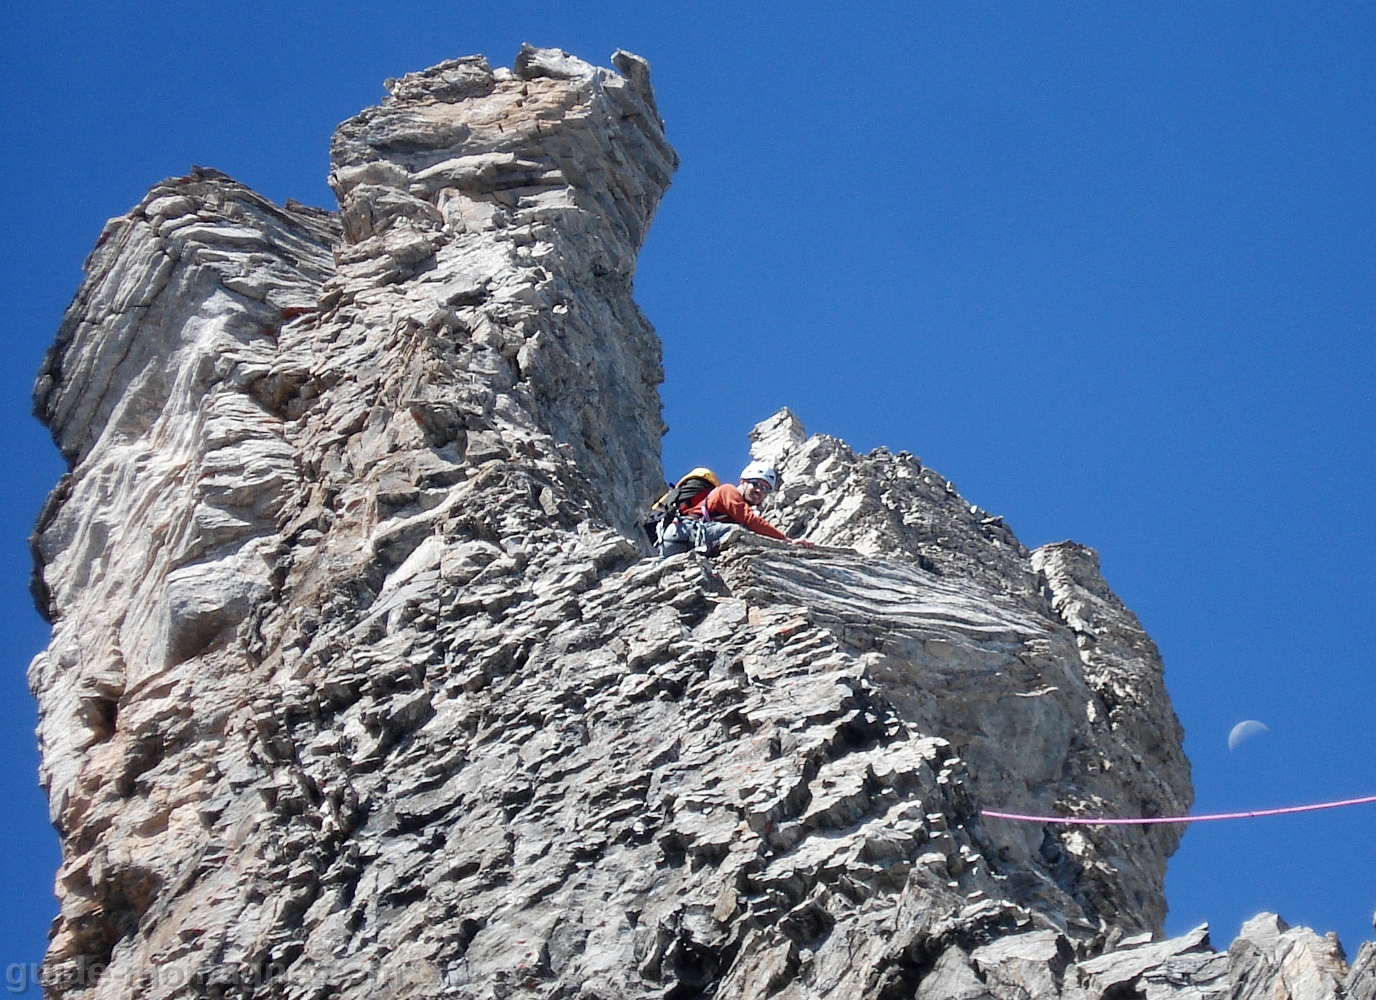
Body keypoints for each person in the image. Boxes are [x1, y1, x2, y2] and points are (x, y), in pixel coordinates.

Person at [656, 461, 816, 557]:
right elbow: (750, 519)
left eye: (766, 490)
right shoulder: (728, 490)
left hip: (677, 542)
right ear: (743, 481)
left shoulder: (730, 502)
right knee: (739, 531)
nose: (760, 491)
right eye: (756, 484)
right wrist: (787, 541)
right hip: (684, 534)